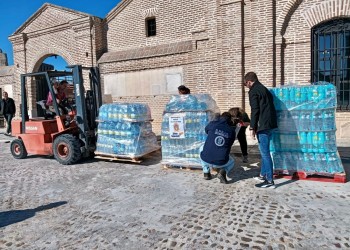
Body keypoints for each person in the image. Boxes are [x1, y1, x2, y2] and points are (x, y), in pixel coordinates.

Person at [244, 72, 277, 189]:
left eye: (246, 84)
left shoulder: (253, 91)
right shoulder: (264, 89)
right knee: (264, 152)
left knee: (265, 153)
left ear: (249, 82)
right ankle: (263, 174)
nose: (246, 86)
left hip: (263, 125)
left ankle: (269, 181)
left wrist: (252, 127)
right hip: (271, 124)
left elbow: (255, 110)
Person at [199, 112, 236, 184]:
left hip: (205, 159)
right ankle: (223, 171)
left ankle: (206, 173)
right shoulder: (232, 131)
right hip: (221, 162)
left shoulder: (213, 124)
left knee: (201, 148)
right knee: (232, 161)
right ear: (230, 120)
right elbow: (230, 144)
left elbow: (206, 130)